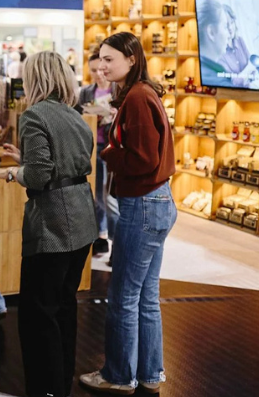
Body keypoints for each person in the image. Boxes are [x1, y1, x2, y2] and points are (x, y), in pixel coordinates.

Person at [0, 51, 96, 397]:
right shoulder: (75, 116)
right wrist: (27, 161)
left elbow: (39, 175)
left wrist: (13, 172)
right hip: (82, 218)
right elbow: (67, 164)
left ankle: (44, 389)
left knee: (38, 316)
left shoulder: (34, 115)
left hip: (53, 224)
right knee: (64, 307)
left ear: (34, 78)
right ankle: (60, 385)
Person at [80, 32, 177, 396]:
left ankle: (119, 375)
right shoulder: (142, 93)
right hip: (156, 201)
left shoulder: (136, 97)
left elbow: (143, 159)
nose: (102, 67)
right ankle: (149, 374)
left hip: (143, 204)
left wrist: (108, 152)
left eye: (109, 59)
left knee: (123, 296)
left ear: (131, 58)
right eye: (100, 59)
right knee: (146, 296)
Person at [78, 53, 119, 256]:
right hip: (93, 148)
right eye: (94, 70)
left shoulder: (118, 90)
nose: (98, 74)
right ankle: (100, 236)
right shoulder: (86, 92)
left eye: (101, 70)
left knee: (109, 198)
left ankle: (116, 244)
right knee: (95, 195)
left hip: (111, 149)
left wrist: (115, 115)